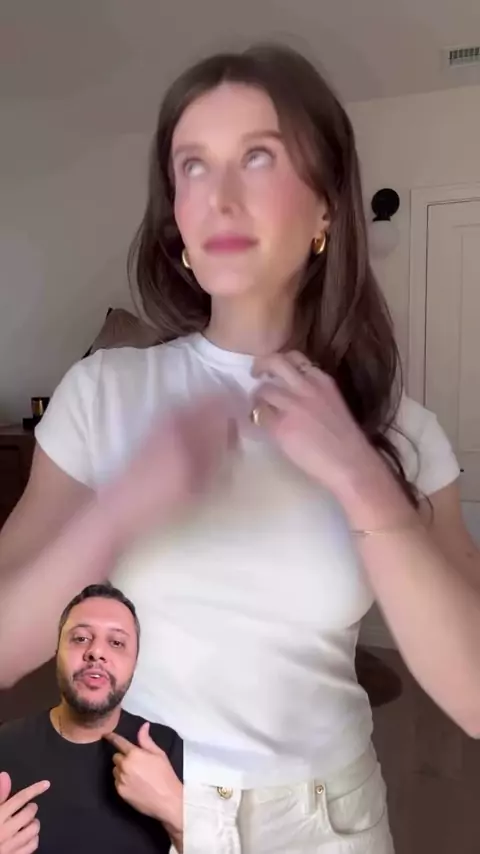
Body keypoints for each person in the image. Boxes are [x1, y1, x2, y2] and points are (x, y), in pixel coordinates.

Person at [0, 43, 479, 853]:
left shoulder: (398, 430)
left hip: (328, 824)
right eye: (192, 166)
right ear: (177, 219)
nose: (219, 196)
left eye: (258, 157)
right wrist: (123, 505)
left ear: (326, 209)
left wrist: (363, 482)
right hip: (136, 803)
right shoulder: (103, 394)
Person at [0, 584, 183, 854]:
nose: (96, 652)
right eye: (81, 638)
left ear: (134, 663)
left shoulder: (169, 748)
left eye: (116, 642)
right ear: (57, 653)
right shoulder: (5, 745)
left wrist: (173, 806)